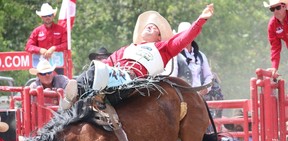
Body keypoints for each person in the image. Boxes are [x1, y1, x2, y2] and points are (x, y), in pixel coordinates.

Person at [61, 4, 215, 109]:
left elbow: (184, 38)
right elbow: (108, 61)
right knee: (95, 69)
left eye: (154, 27)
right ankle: (71, 100)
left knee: (98, 73)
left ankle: (76, 95)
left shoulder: (163, 48)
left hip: (134, 81)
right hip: (113, 76)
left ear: (158, 36)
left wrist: (201, 19)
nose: (150, 26)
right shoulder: (126, 49)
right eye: (148, 26)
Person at [25, 3, 67, 74]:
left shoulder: (61, 30)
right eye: (45, 16)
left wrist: (54, 48)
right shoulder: (37, 31)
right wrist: (40, 50)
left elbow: (66, 44)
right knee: (42, 83)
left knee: (60, 83)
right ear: (41, 17)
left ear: (53, 15)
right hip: (42, 66)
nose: (47, 17)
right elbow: (28, 47)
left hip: (58, 65)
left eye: (49, 15)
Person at [176, 21, 213, 96]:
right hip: (182, 97)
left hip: (199, 97)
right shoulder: (175, 55)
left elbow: (208, 76)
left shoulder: (201, 56)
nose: (186, 37)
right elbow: (172, 77)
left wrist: (205, 88)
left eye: (189, 34)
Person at [263, 0, 288, 78]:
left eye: (277, 7)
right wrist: (274, 67)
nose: (275, 11)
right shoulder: (272, 24)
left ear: (285, 6)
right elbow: (275, 47)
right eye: (272, 9)